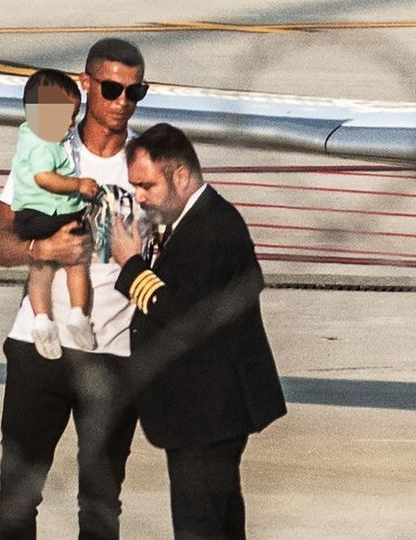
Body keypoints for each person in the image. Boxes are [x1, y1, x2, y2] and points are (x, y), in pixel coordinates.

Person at [0, 38, 150, 540]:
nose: (122, 102)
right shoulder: (48, 146)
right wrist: (41, 249)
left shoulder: (148, 162)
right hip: (40, 349)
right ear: (86, 84)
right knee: (17, 499)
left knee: (101, 506)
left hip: (114, 353)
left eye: (135, 91)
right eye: (112, 88)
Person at [110, 123, 287, 540]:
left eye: (147, 185)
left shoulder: (211, 229)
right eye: (135, 186)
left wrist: (131, 265)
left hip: (207, 414)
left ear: (181, 175)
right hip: (204, 411)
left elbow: (180, 315)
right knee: (219, 523)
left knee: (199, 526)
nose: (139, 196)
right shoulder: (190, 220)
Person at [10, 68, 99, 359]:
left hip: (28, 215)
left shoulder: (28, 136)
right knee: (77, 261)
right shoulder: (45, 143)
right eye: (67, 117)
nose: (72, 124)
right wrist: (78, 185)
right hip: (54, 210)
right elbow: (44, 178)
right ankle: (78, 314)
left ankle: (42, 319)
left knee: (41, 268)